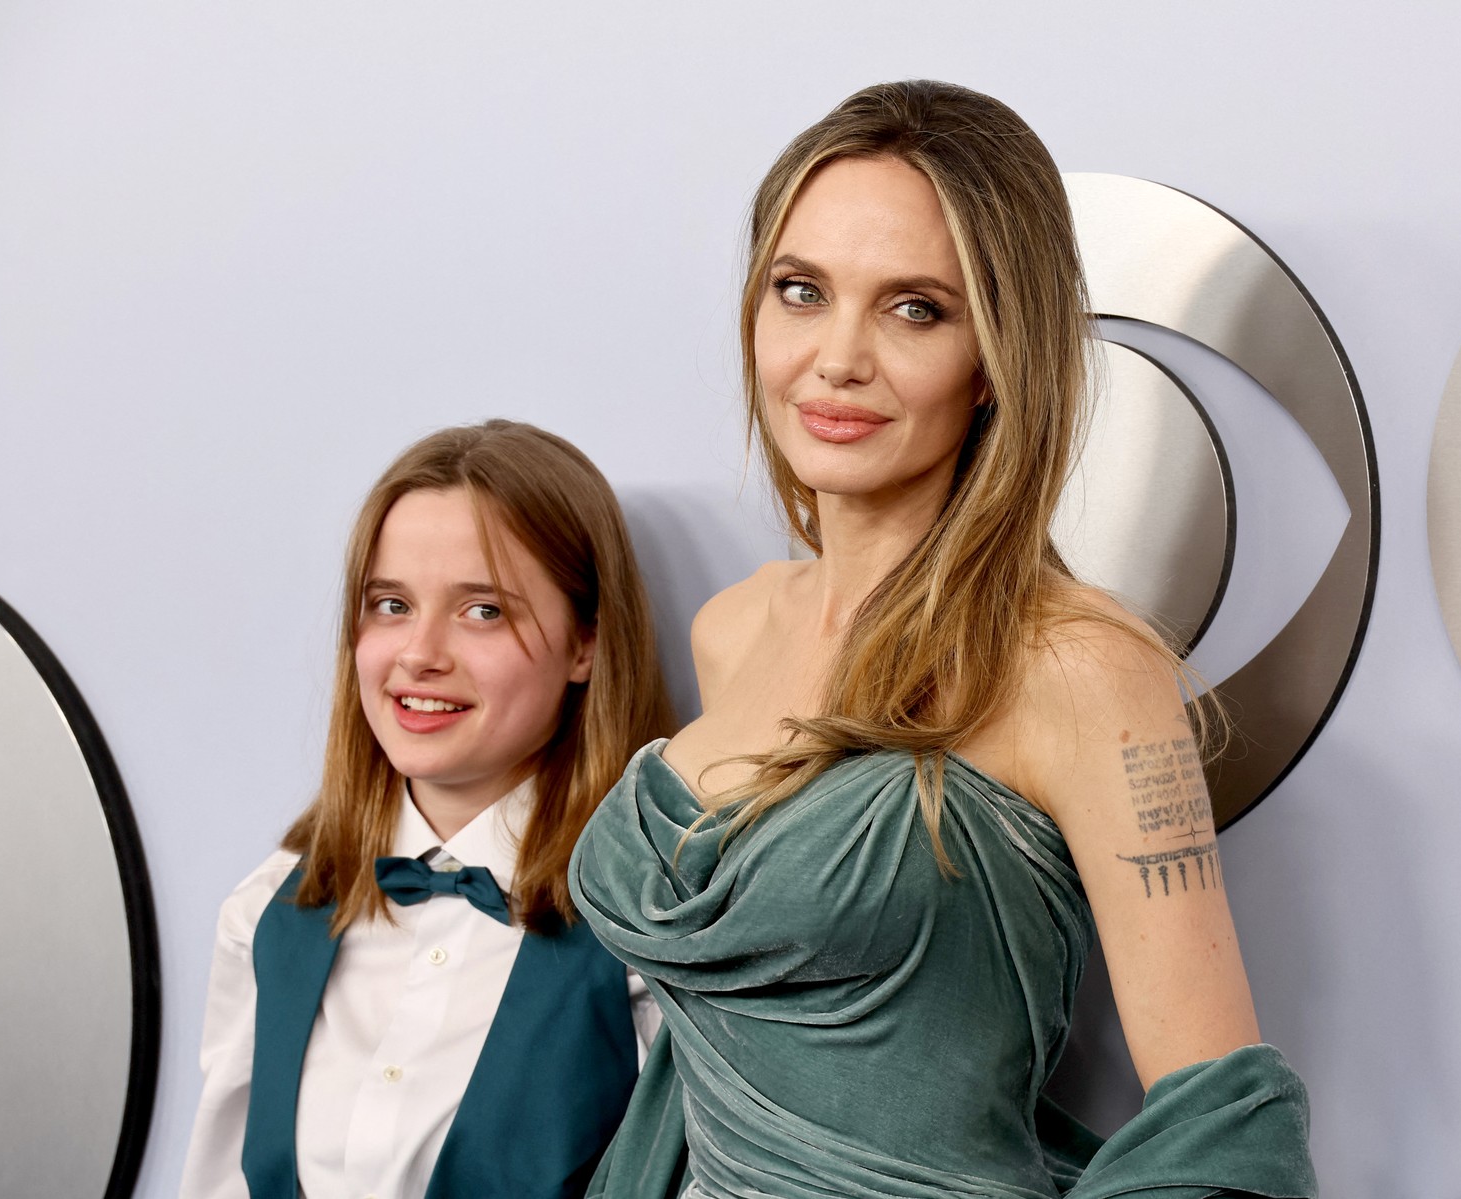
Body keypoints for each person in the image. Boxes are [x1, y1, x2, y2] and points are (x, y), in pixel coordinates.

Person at [570, 81, 1317, 1198]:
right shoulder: (732, 628)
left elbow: (1226, 1127)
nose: (836, 358)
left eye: (914, 307)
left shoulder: (1078, 666)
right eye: (801, 290)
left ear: (994, 358)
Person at [182, 420, 676, 1199]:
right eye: (390, 604)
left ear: (586, 641)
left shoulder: (653, 936)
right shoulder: (267, 912)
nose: (420, 653)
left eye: (482, 610)